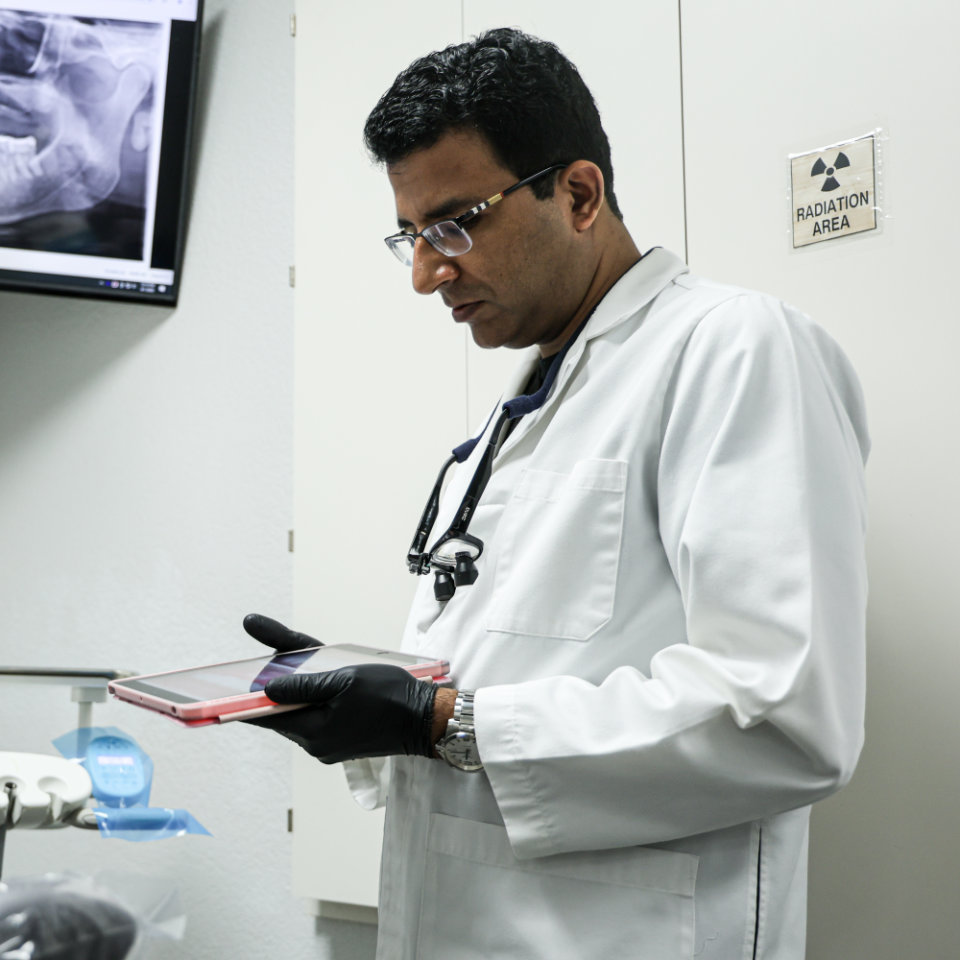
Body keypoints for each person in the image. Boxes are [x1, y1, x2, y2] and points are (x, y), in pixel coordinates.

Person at [245, 27, 869, 960]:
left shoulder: (734, 349)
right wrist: (370, 705)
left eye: (454, 224)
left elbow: (782, 717)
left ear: (578, 194)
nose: (426, 274)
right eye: (413, 236)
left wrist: (443, 722)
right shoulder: (530, 401)